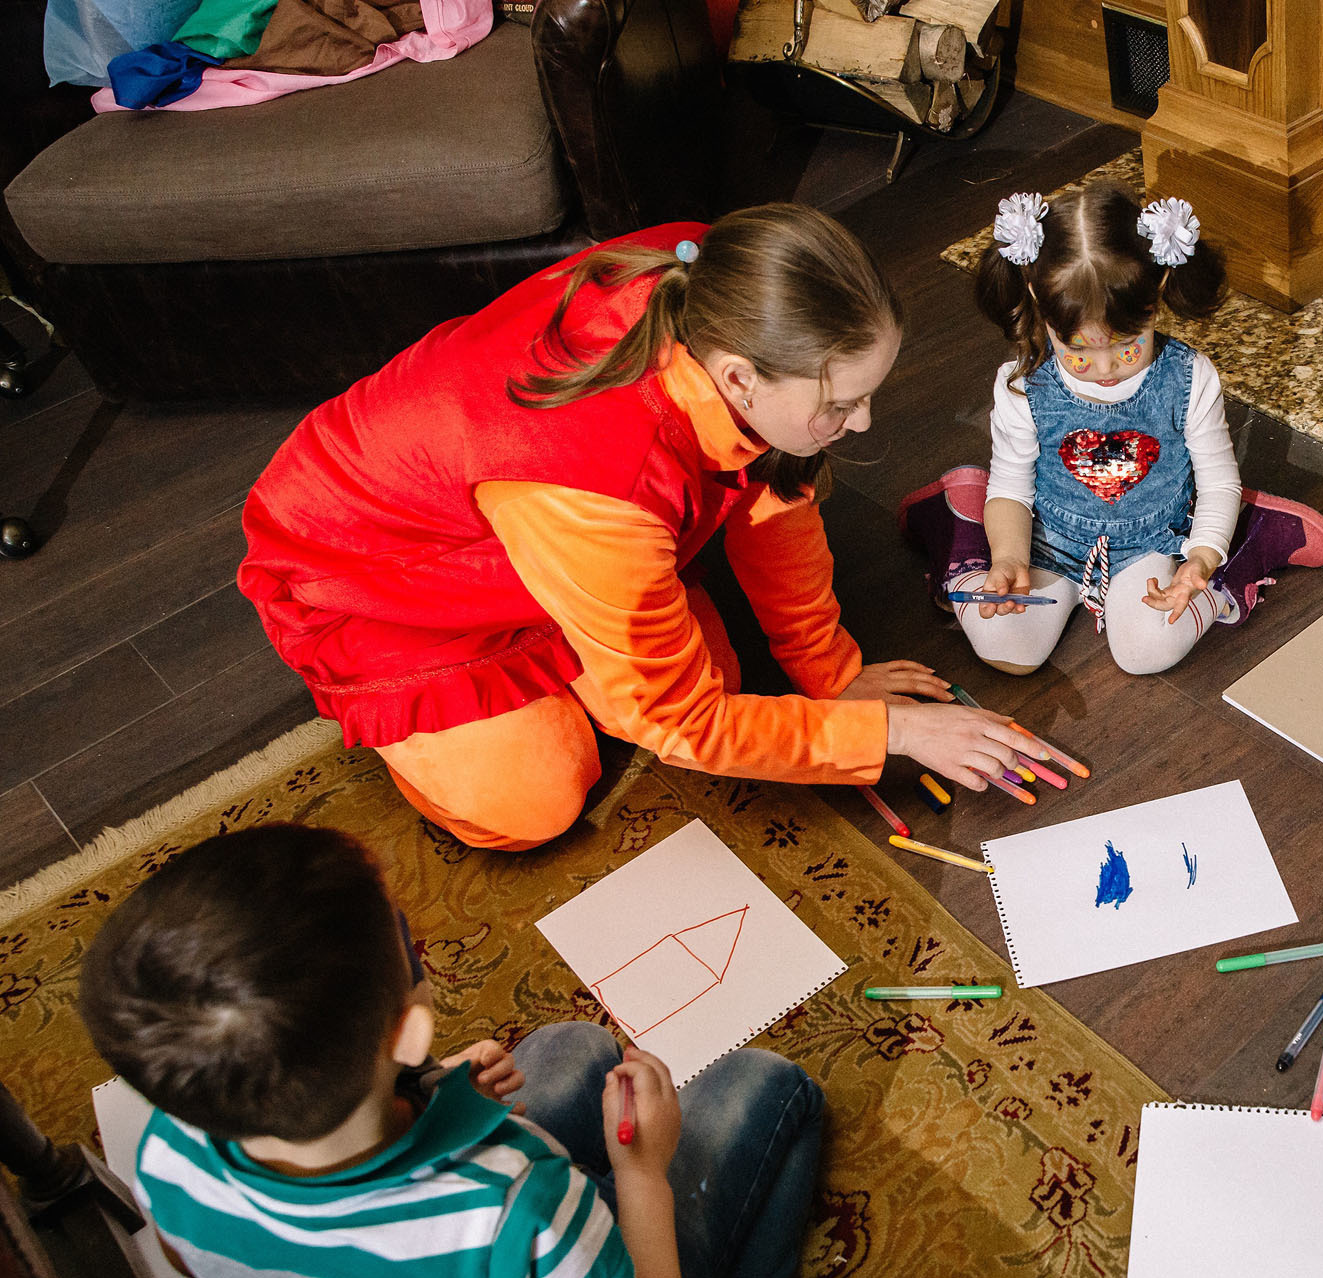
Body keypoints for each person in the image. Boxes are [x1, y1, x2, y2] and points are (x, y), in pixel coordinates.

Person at [238, 205, 1049, 853]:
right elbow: (686, 726)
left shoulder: (720, 281)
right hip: (386, 583)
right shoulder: (604, 491)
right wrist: (897, 730)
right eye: (839, 405)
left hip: (551, 532)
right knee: (538, 801)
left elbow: (777, 501)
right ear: (738, 379)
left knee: (718, 678)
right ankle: (450, 718)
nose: (863, 424)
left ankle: (575, 645)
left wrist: (830, 675)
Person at [77, 824, 828, 1278]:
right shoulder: (517, 1198)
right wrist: (641, 1173)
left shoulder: (168, 1153)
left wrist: (430, 1088)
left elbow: (201, 1252)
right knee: (776, 1089)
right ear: (409, 1029)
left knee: (573, 1050)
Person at [899, 182, 1323, 676]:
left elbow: (1217, 482)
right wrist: (1007, 559)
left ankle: (1242, 547)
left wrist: (1201, 559)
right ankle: (963, 532)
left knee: (1146, 652)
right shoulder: (1023, 386)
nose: (1104, 367)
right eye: (1077, 350)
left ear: (1156, 299)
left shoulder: (1189, 378)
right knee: (1005, 649)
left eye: (1127, 346)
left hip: (1150, 543)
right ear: (1038, 305)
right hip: (1044, 539)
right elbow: (1011, 488)